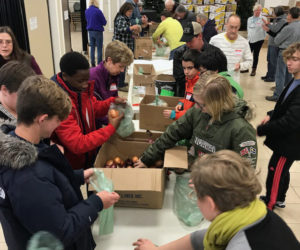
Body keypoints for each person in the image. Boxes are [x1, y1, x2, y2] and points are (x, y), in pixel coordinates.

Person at [0, 75, 120, 250]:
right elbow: (60, 232)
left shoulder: (25, 144)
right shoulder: (27, 177)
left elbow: (47, 183)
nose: (58, 126)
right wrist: (97, 203)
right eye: (57, 121)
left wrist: (77, 176)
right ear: (42, 119)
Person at [133, 150, 300, 250]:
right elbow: (201, 238)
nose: (195, 201)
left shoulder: (242, 245)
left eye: (196, 195)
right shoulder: (253, 213)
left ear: (211, 204)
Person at [135, 74, 257, 169]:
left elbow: (244, 173)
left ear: (217, 104)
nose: (196, 107)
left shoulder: (241, 130)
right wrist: (148, 158)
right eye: (196, 102)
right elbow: (173, 132)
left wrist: (209, 180)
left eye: (202, 105)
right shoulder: (198, 112)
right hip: (196, 173)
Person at [51, 52, 125, 170]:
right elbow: (78, 143)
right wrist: (110, 128)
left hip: (87, 158)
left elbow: (92, 108)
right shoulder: (59, 103)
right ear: (65, 76)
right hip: (69, 167)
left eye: (87, 79)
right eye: (81, 81)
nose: (85, 85)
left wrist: (111, 102)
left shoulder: (78, 89)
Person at [257, 42, 300, 210]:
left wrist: (263, 129)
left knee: (276, 170)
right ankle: (279, 198)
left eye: (295, 59)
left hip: (289, 143)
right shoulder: (294, 81)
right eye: (289, 58)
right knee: (282, 169)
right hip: (286, 140)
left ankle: (271, 202)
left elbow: (291, 120)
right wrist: (271, 115)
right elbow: (284, 106)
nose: (289, 62)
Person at [89, 40, 133, 128]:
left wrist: (119, 105)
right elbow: (92, 110)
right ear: (109, 60)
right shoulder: (92, 78)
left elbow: (113, 97)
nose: (122, 70)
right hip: (92, 127)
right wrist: (112, 121)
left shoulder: (113, 74)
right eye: (120, 66)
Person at [173, 21, 220, 97]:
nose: (188, 44)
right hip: (185, 96)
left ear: (200, 36)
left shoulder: (213, 54)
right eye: (186, 41)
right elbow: (179, 78)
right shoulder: (179, 53)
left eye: (190, 41)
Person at [266, 7, 300, 102]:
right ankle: (288, 91)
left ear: (291, 15)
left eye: (288, 14)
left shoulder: (288, 28)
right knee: (289, 73)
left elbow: (276, 41)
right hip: (296, 53)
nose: (287, 16)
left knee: (280, 73)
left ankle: (278, 95)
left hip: (285, 52)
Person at [210, 14, 253, 80]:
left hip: (234, 81)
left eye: (236, 27)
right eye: (231, 27)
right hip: (217, 80)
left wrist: (240, 66)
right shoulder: (215, 40)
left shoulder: (244, 42)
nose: (234, 31)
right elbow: (208, 58)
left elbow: (249, 61)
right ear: (226, 25)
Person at [163, 49, 199, 120]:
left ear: (199, 66)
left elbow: (196, 113)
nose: (186, 72)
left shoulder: (201, 85)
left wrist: (176, 115)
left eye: (190, 68)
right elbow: (189, 98)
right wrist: (182, 103)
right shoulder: (189, 80)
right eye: (184, 68)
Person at [113, 2, 140, 90]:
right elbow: (120, 30)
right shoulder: (121, 18)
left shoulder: (125, 18)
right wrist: (132, 28)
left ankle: (121, 82)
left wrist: (133, 34)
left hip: (125, 44)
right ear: (125, 10)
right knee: (121, 65)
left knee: (123, 65)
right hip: (121, 46)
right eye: (129, 11)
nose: (130, 13)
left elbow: (126, 31)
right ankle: (119, 84)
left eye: (131, 12)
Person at [261, 6, 287, 82]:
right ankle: (269, 74)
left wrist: (268, 25)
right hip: (271, 43)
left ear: (277, 13)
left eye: (273, 12)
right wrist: (269, 28)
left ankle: (272, 77)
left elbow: (275, 29)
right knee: (269, 60)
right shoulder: (277, 19)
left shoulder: (282, 20)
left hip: (275, 44)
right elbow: (273, 30)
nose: (272, 13)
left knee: (273, 61)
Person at [85, 0, 107, 67]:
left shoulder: (86, 11)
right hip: (98, 32)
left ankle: (92, 63)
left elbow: (88, 20)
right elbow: (104, 22)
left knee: (92, 47)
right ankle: (99, 64)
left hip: (90, 31)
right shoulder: (98, 11)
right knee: (99, 48)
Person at [247, 4, 266, 76]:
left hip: (259, 40)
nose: (258, 12)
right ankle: (246, 67)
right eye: (256, 10)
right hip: (250, 40)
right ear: (253, 10)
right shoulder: (249, 19)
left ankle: (253, 70)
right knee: (248, 54)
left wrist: (263, 37)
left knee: (256, 55)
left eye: (259, 10)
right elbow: (248, 29)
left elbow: (266, 29)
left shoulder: (263, 19)